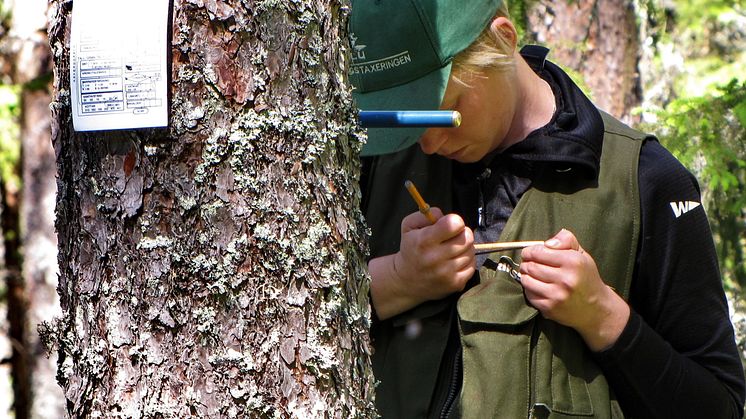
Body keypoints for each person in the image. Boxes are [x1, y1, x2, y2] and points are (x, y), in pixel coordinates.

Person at [350, 0, 746, 418]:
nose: (428, 142)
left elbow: (717, 405)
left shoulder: (642, 181)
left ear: (503, 40)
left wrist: (602, 316)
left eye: (448, 113)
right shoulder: (365, 163)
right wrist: (398, 280)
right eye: (407, 121)